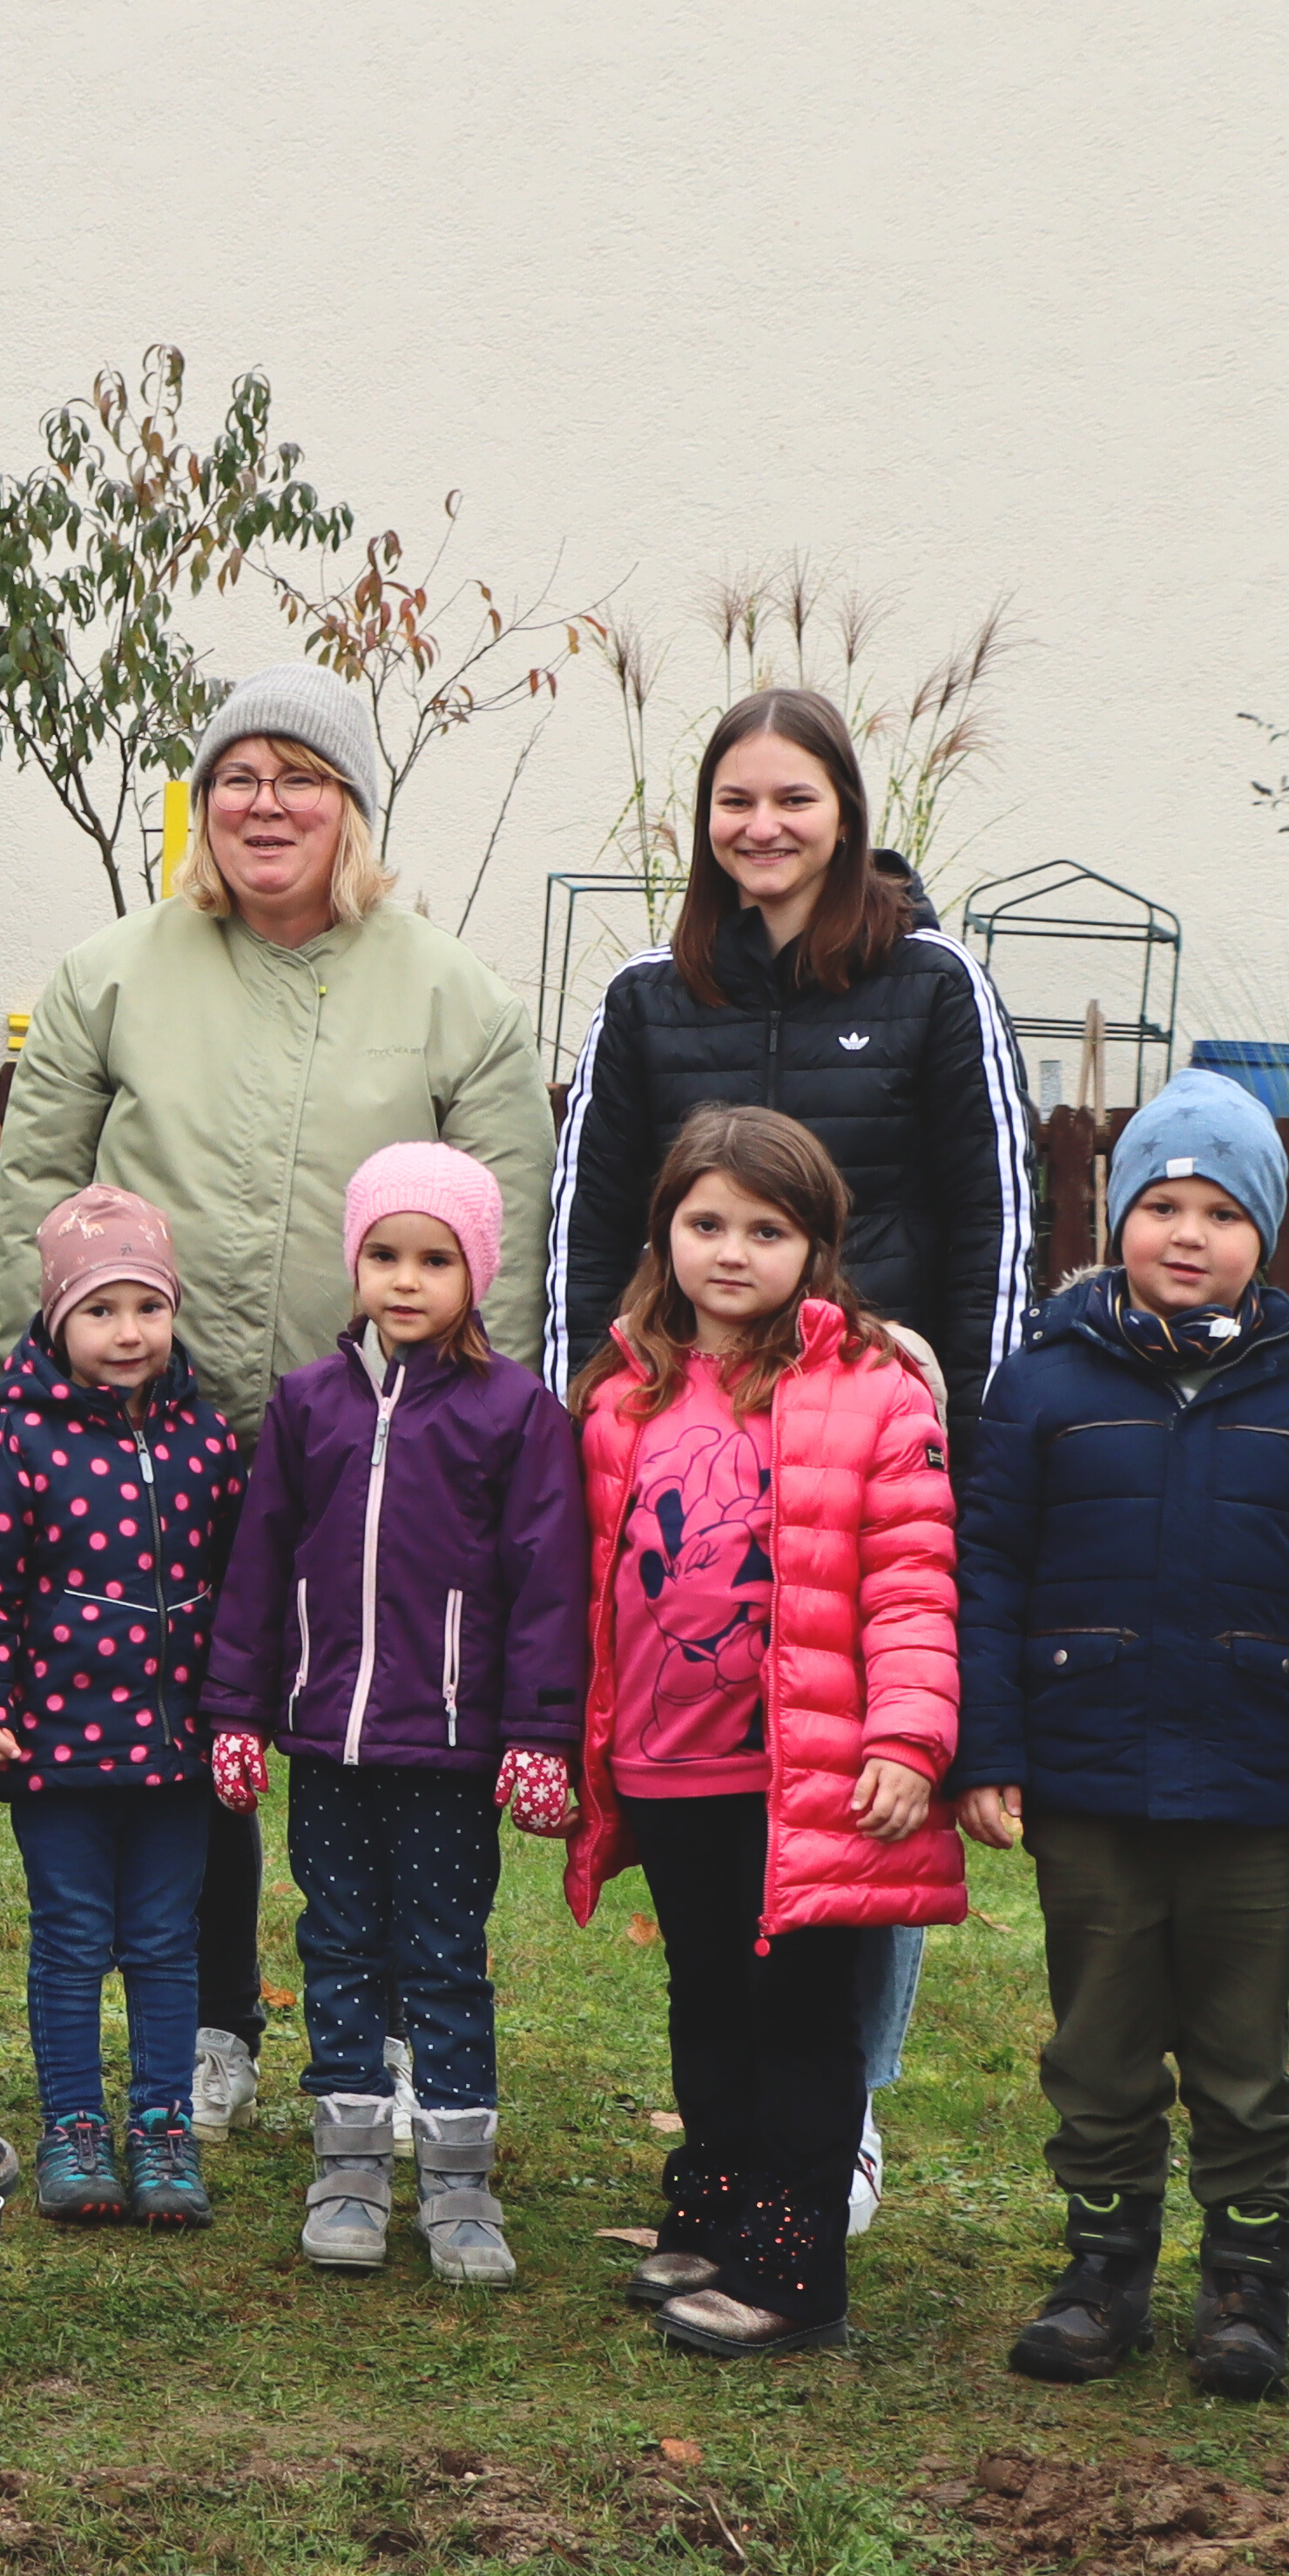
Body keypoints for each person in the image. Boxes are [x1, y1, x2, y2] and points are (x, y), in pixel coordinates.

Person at [0, 665, 549, 2146]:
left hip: (382, 1444)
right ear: (201, 803)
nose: (266, 804)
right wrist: (27, 1382)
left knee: (398, 1738)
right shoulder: (114, 972)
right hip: (154, 1435)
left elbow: (509, 1220)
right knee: (195, 1734)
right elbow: (37, 1190)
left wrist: (498, 1424)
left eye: (301, 776)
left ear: (352, 805)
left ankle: (412, 2026)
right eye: (238, 776)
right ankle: (218, 2019)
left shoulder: (457, 998)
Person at [539, 684, 1029, 2229]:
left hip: (863, 1440)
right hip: (687, 1449)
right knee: (715, 1799)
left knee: (853, 1790)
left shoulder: (936, 986)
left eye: (793, 800)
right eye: (734, 801)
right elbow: (589, 1219)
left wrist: (969, 1427)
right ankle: (743, 2129)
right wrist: (592, 1412)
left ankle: (844, 2113)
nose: (762, 827)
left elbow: (993, 1217)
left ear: (846, 814)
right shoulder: (645, 996)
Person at [952, 1066, 1289, 2400]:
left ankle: (1246, 2284)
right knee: (1097, 2040)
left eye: (1220, 1210)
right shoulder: (1042, 1386)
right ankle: (1102, 2275)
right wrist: (991, 1749)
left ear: (1264, 1235)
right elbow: (988, 1575)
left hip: (1254, 1781)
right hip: (1087, 1776)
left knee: (1241, 2050)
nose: (1188, 1234)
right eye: (1161, 1205)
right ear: (1117, 1222)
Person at [558, 1109, 959, 2358]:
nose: (733, 1252)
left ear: (819, 1244)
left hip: (803, 1773)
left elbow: (911, 1583)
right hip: (669, 1763)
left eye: (767, 1229)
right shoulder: (625, 1391)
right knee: (707, 1999)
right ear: (665, 1231)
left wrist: (906, 1742)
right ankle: (721, 2208)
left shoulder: (873, 1391)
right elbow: (589, 1576)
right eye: (707, 1223)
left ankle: (798, 2269)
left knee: (798, 2018)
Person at [199, 1140, 588, 2290]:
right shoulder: (308, 1406)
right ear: (355, 1262)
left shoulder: (514, 1412)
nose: (406, 1280)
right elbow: (258, 1570)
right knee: (338, 1947)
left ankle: (460, 2181)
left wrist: (538, 1734)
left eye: (434, 1258)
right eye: (384, 1255)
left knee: (443, 1957)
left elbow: (547, 1583)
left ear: (477, 1272)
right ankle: (351, 2168)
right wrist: (238, 1711)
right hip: (330, 1741)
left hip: (453, 1748)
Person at [0, 1186, 246, 2228]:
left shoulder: (206, 1442)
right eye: (101, 1309)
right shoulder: (18, 1440)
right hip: (56, 1746)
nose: (127, 1332)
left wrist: (241, 1706)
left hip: (178, 1751)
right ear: (57, 1318)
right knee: (70, 1936)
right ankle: (73, 2122)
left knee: (163, 1938)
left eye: (147, 1308)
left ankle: (160, 2123)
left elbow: (240, 1584)